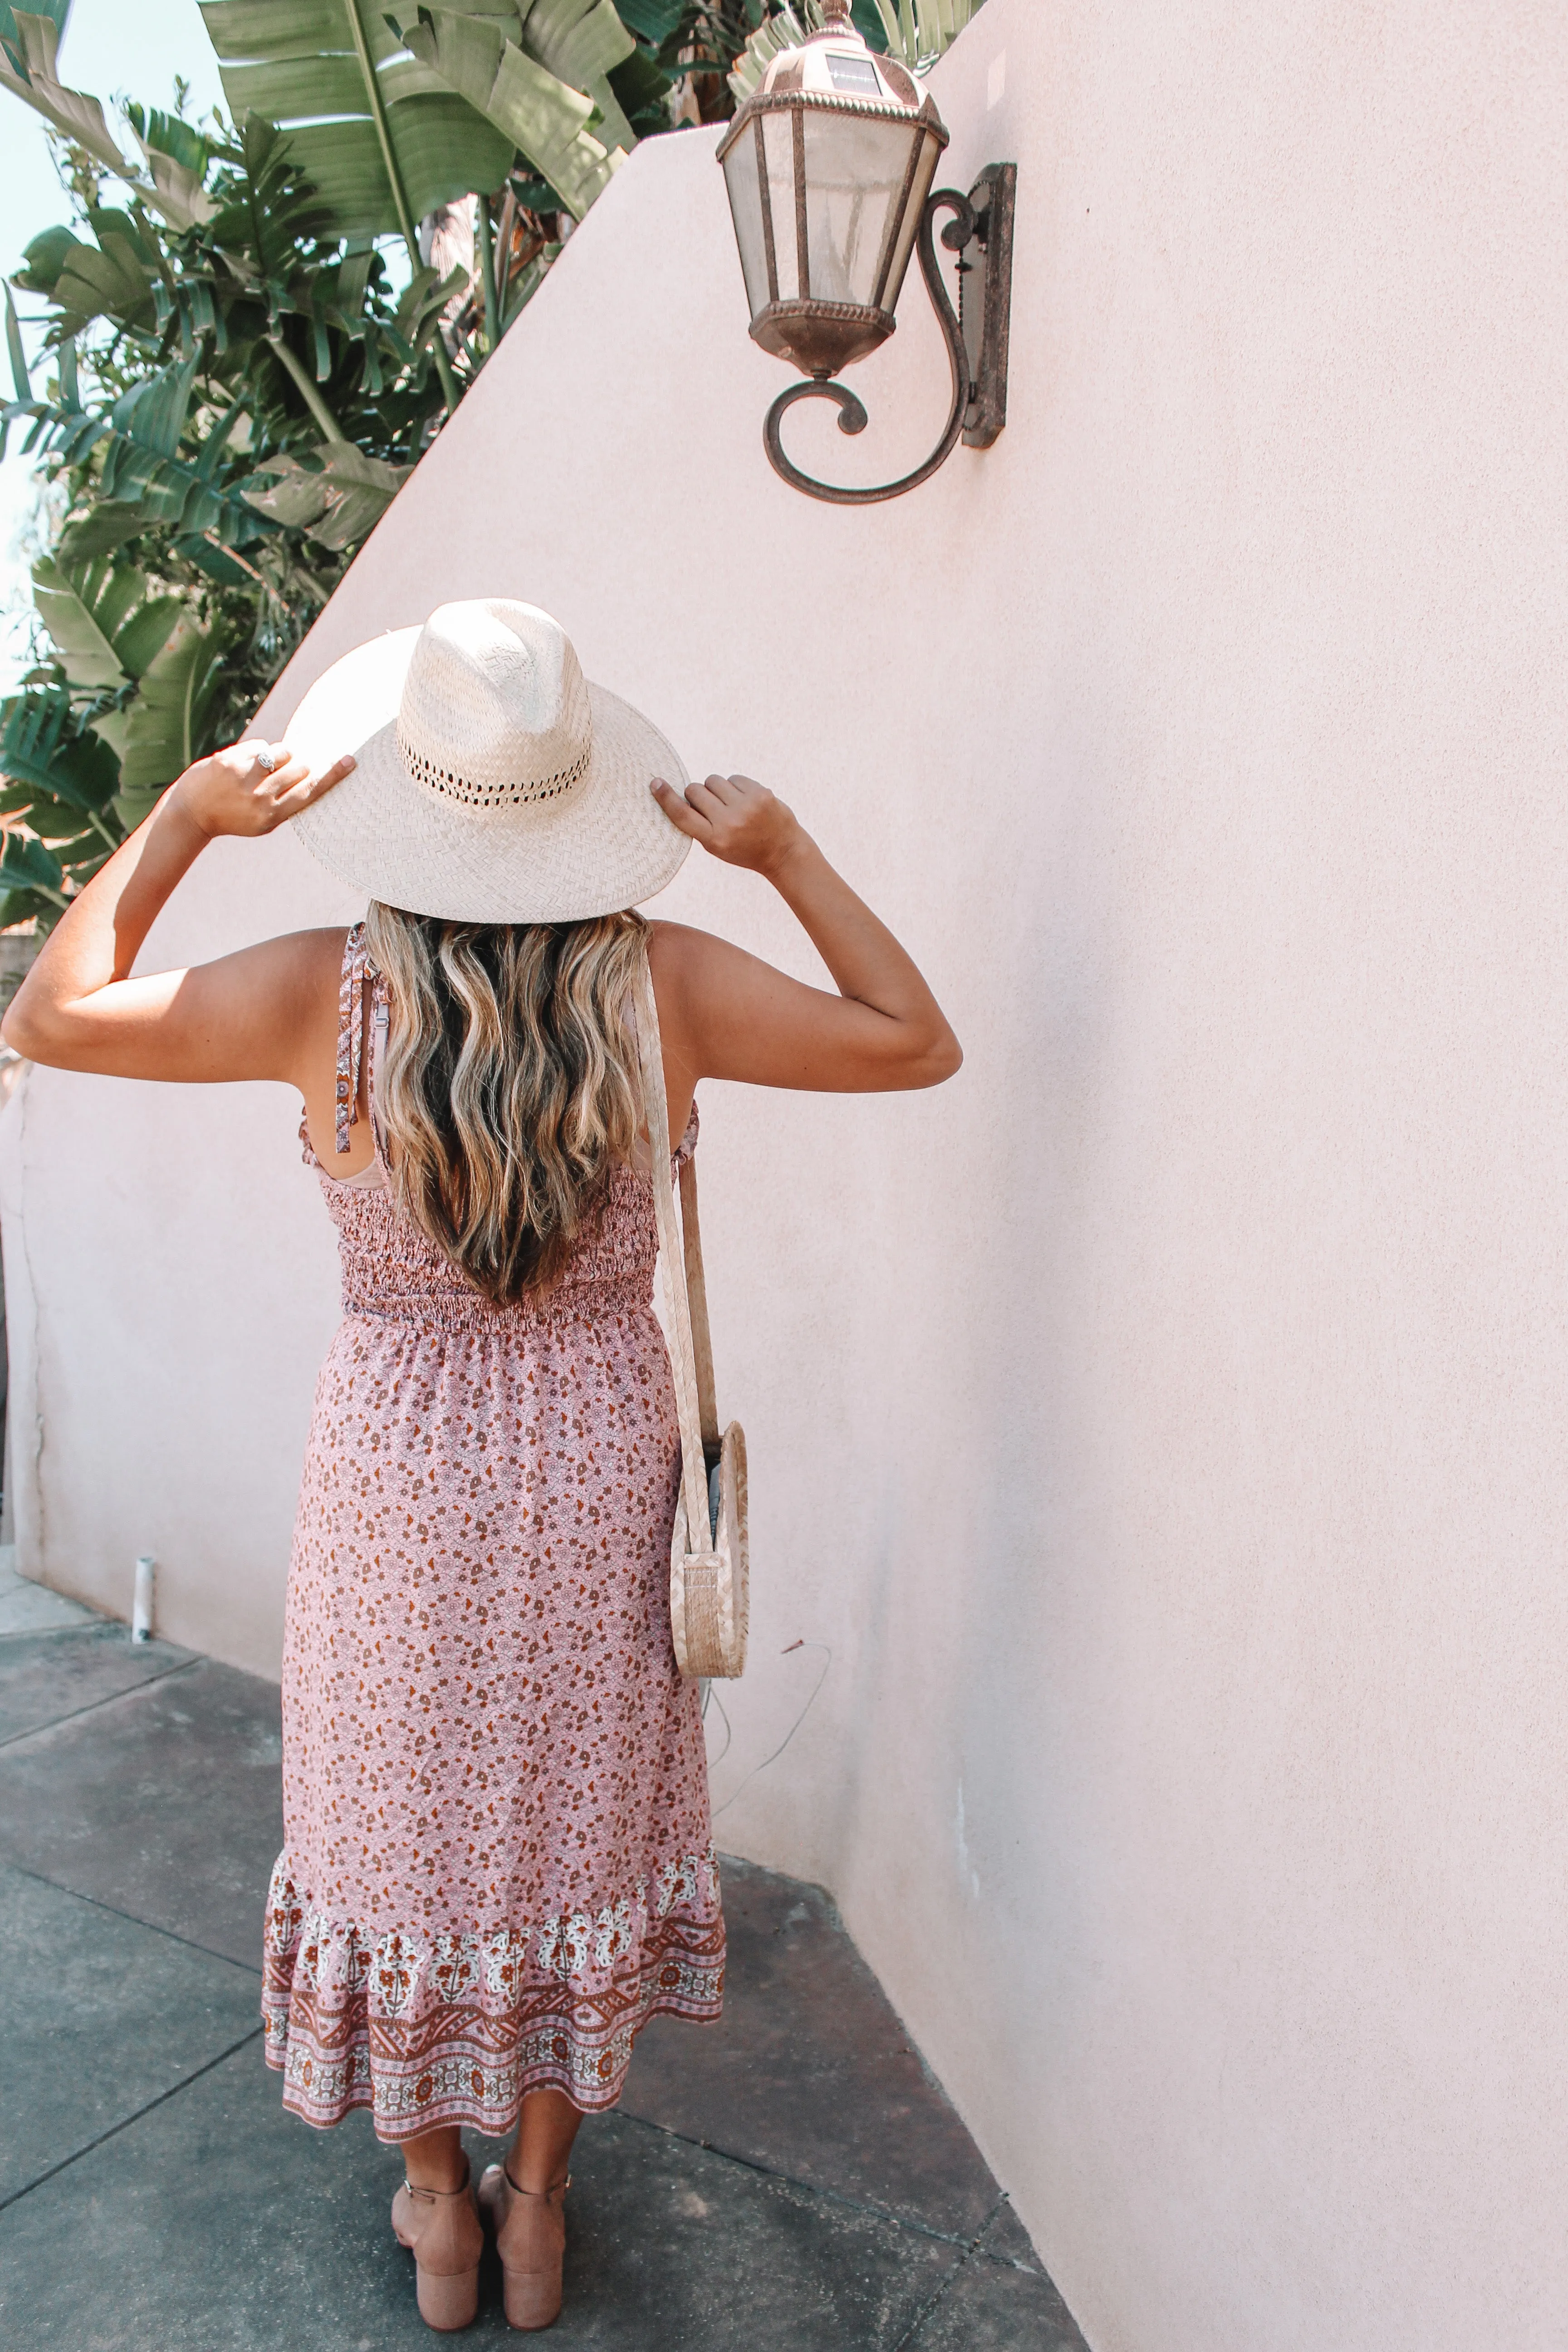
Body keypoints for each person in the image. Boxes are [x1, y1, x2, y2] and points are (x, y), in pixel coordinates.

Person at [3, 598, 960, 2333]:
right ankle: (537, 2214)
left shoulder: (317, 988)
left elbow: (55, 1018)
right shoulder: (660, 984)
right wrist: (785, 853)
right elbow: (911, 1037)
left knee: (401, 1843)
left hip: (394, 1483)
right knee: (567, 1834)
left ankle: (433, 2210)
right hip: (600, 1471)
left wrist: (183, 822)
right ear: (582, 794)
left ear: (414, 802)